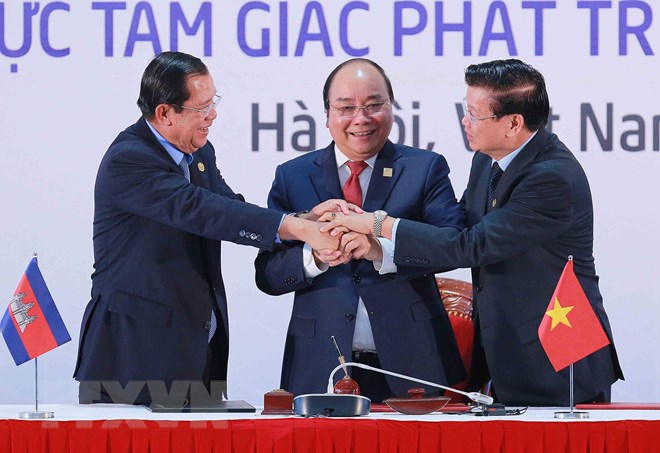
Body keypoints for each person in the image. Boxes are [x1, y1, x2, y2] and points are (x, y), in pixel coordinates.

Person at [321, 58, 624, 406]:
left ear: (513, 123)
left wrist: (377, 223)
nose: (465, 122)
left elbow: (471, 245)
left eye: (475, 115)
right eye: (465, 110)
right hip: (507, 355)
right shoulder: (488, 160)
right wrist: (376, 248)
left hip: (556, 359)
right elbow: (457, 226)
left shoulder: (551, 178)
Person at [73, 51, 340, 406]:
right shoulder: (129, 159)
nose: (212, 115)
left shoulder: (199, 153)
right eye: (202, 107)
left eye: (213, 102)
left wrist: (303, 220)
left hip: (197, 348)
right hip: (133, 356)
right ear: (165, 113)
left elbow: (229, 205)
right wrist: (296, 229)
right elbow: (203, 210)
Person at [254, 58, 467, 403]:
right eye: (346, 108)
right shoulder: (292, 176)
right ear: (327, 114)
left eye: (373, 105)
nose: (361, 118)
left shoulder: (424, 168)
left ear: (391, 107)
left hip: (413, 360)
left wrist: (380, 250)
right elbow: (268, 275)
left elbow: (452, 245)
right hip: (319, 363)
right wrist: (314, 256)